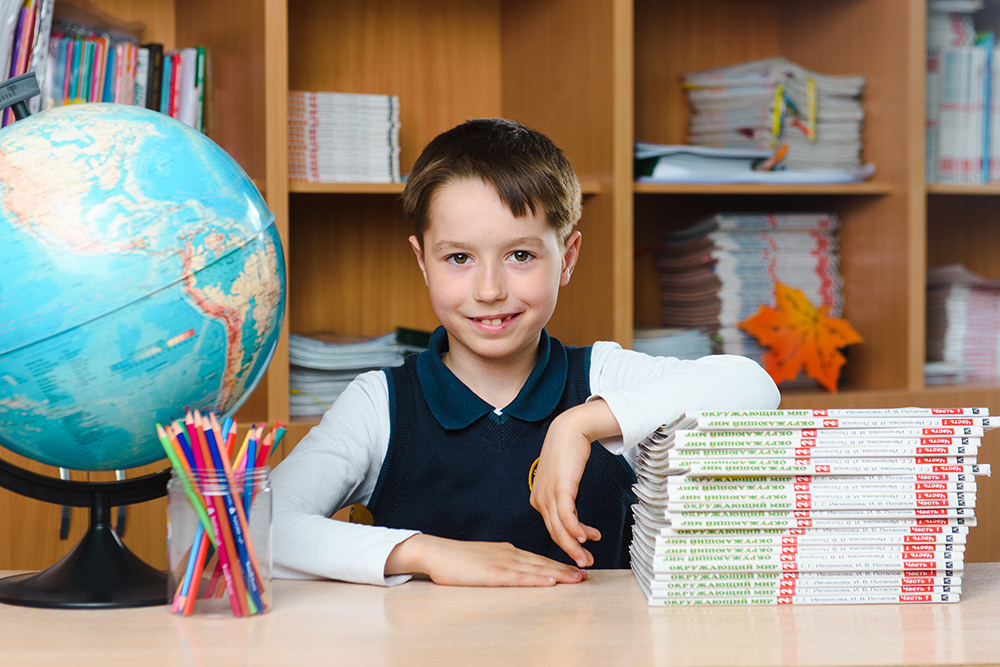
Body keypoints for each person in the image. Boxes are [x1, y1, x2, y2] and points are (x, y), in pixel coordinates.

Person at [270, 118, 780, 587]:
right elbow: (255, 527)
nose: (489, 289)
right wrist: (425, 553)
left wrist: (579, 423)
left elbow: (752, 384)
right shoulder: (378, 404)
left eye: (520, 255)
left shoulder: (602, 376)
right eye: (459, 258)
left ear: (568, 257)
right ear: (422, 261)